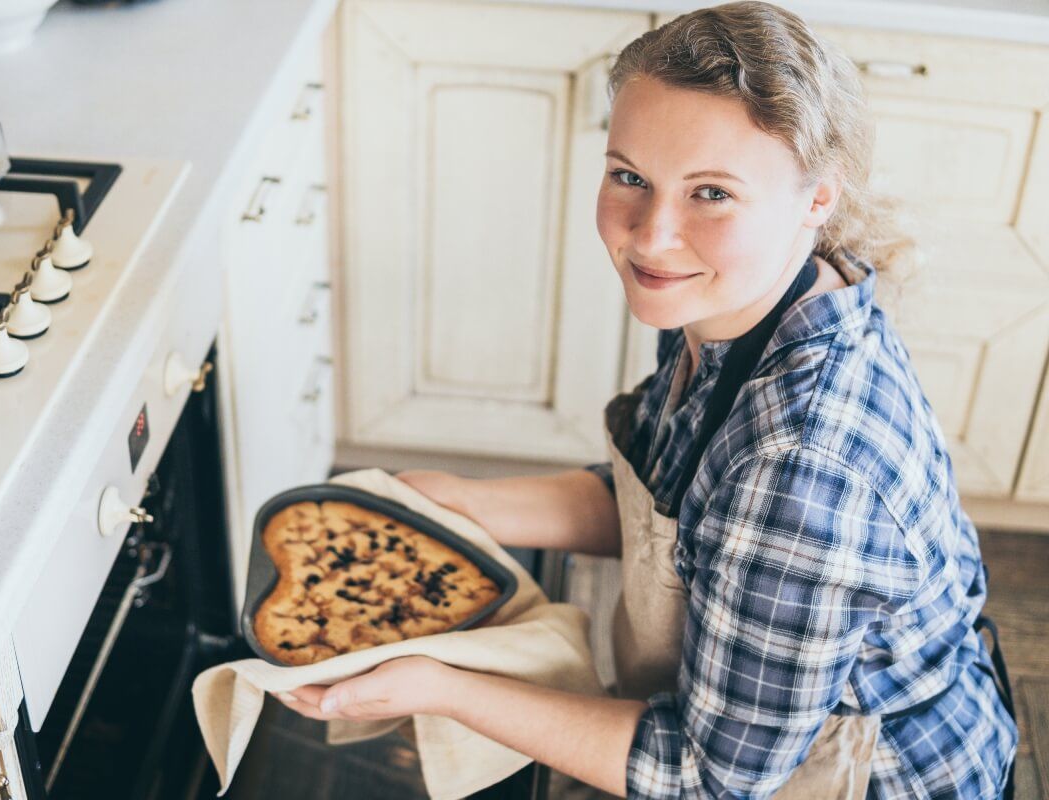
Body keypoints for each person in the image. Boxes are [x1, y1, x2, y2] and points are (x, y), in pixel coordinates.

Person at [273, 2, 1019, 797]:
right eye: (630, 176)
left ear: (817, 199)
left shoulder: (805, 468)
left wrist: (438, 687)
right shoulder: (740, 304)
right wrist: (456, 502)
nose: (650, 235)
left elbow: (706, 776)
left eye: (712, 194)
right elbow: (673, 506)